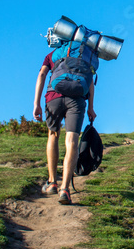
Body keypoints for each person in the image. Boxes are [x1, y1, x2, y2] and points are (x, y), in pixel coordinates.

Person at [33, 33, 96, 204]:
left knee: (53, 135)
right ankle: (65, 190)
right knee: (72, 141)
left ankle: (52, 182)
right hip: (76, 100)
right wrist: (90, 107)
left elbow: (41, 76)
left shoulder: (52, 55)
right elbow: (89, 82)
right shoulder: (84, 56)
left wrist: (36, 104)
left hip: (53, 97)